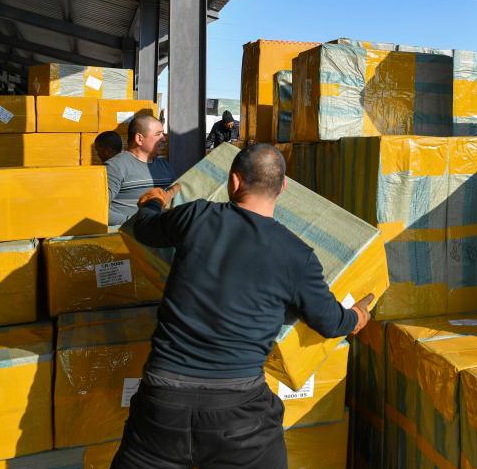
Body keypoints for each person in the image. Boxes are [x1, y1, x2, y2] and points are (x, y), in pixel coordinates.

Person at [111, 144, 373, 468]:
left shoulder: (196, 216)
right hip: (238, 416)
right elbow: (330, 322)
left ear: (234, 182)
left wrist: (154, 201)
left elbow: (144, 228)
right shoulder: (297, 256)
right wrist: (356, 316)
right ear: (283, 187)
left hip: (162, 404)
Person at [105, 114, 176, 226]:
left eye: (163, 133)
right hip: (131, 234)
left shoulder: (165, 166)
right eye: (158, 134)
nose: (164, 138)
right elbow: (97, 210)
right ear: (139, 139)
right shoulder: (115, 167)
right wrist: (136, 223)